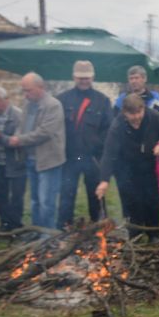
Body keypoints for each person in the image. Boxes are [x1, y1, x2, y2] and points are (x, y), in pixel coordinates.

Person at [96, 94, 159, 243]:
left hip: (149, 166)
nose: (136, 117)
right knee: (132, 202)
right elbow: (109, 154)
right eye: (132, 114)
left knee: (152, 201)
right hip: (126, 169)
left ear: (143, 109)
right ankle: (135, 234)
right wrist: (104, 180)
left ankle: (154, 234)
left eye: (138, 113)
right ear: (124, 112)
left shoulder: (154, 116)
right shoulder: (117, 126)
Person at [57, 61, 113, 227]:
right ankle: (64, 227)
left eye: (87, 78)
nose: (84, 81)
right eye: (80, 78)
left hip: (93, 157)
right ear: (74, 77)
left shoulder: (102, 101)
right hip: (69, 157)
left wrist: (97, 147)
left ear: (92, 77)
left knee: (96, 194)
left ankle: (97, 226)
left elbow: (108, 129)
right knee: (67, 194)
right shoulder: (62, 99)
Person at [7, 73, 65, 229]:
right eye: (24, 91)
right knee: (35, 200)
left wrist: (20, 140)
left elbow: (45, 132)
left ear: (41, 88)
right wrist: (17, 135)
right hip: (31, 159)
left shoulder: (53, 105)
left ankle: (48, 235)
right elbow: (22, 126)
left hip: (49, 161)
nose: (26, 94)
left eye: (29, 90)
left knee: (46, 201)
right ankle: (36, 231)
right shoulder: (28, 105)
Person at [0, 86, 26, 232]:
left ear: (6, 100)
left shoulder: (18, 116)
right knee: (0, 193)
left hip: (15, 162)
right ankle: (4, 223)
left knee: (16, 196)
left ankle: (16, 224)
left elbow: (18, 141)